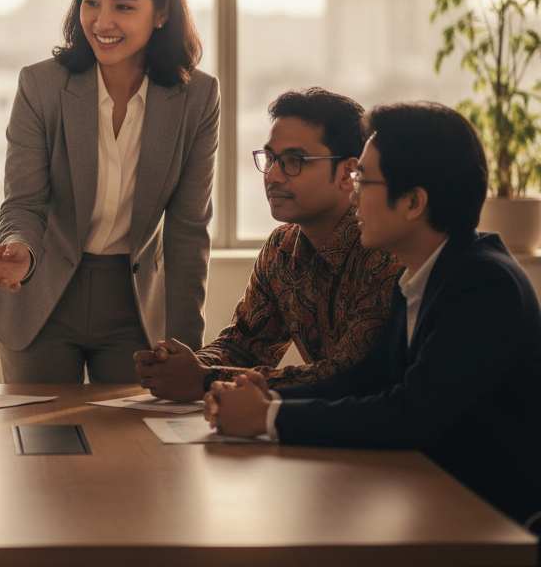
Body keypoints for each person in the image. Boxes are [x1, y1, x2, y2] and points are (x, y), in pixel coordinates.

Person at [205, 102, 541, 532]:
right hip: (431, 495)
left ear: (414, 202)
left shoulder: (483, 286)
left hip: (493, 520)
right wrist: (265, 403)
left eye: (364, 180)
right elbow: (366, 380)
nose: (354, 192)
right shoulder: (419, 274)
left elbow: (407, 415)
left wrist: (267, 419)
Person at [0, 0, 220, 384]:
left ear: (162, 12)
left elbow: (188, 230)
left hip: (135, 304)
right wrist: (21, 251)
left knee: (135, 447)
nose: (102, 21)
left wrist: (187, 347)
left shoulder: (198, 98)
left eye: (124, 6)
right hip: (40, 292)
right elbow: (24, 202)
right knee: (41, 447)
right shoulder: (40, 87)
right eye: (91, 2)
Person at [134, 88, 401, 399]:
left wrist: (206, 378)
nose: (272, 175)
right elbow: (244, 344)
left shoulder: (382, 250)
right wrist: (180, 365)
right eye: (271, 158)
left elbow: (349, 376)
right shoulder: (282, 247)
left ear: (348, 173)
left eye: (293, 160)